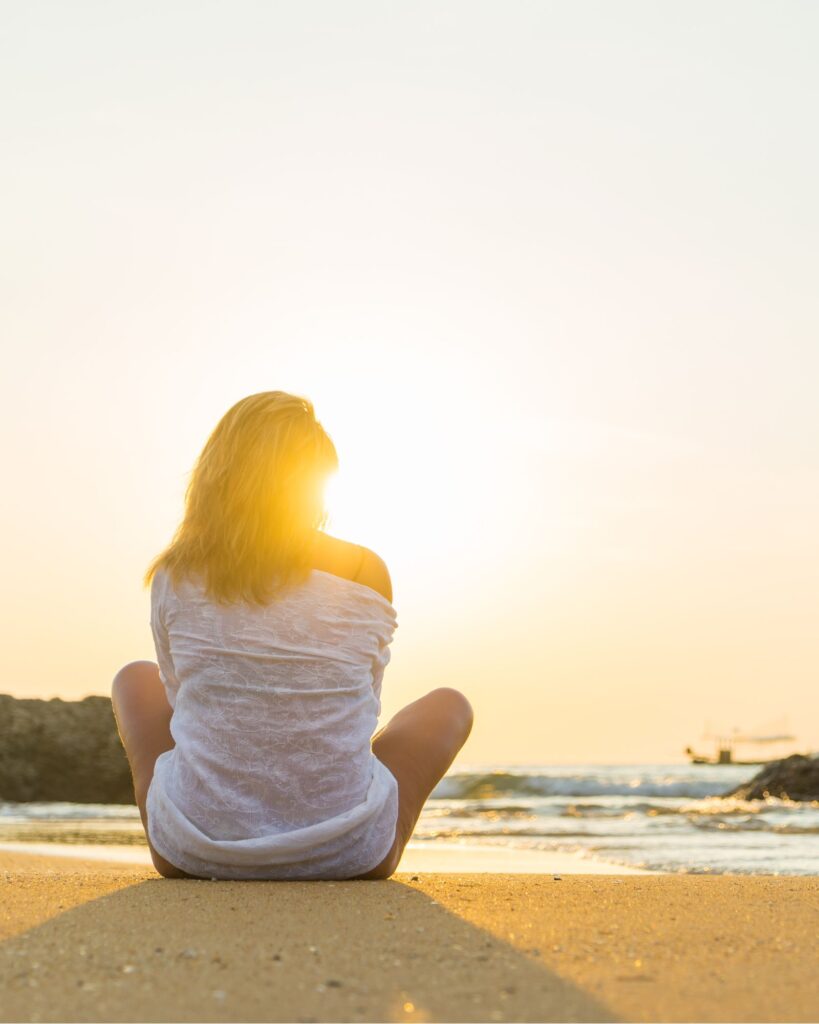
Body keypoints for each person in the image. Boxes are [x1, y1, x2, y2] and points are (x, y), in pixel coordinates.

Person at [111, 391, 473, 880]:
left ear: (216, 474)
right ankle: (346, 827)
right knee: (449, 705)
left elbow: (180, 699)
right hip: (348, 853)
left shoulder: (175, 574)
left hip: (191, 851)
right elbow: (364, 700)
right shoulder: (364, 570)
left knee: (135, 680)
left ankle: (188, 821)